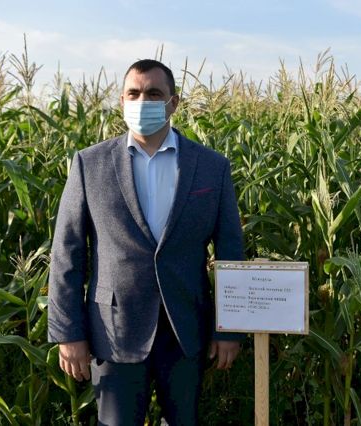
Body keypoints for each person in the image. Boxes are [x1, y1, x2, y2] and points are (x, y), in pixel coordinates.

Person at [47, 59, 244, 426]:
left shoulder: (211, 167)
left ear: (174, 103)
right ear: (122, 101)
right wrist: (67, 332)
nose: (142, 101)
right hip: (114, 330)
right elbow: (67, 254)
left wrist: (227, 329)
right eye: (133, 93)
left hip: (186, 329)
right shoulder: (90, 164)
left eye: (154, 94)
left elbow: (230, 251)